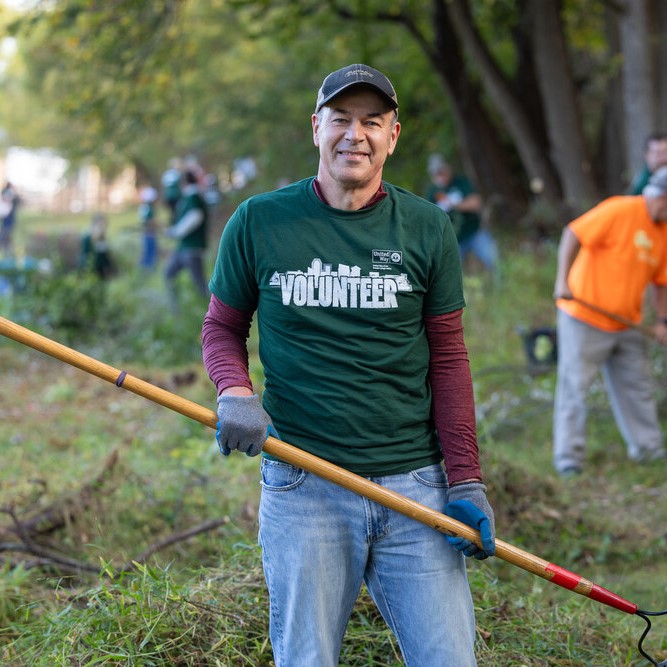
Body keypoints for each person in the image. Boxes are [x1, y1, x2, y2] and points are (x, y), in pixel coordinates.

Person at [201, 64, 495, 666]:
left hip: (416, 489)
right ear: (316, 128)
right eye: (340, 120)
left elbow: (449, 358)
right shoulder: (259, 221)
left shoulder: (426, 227)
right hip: (304, 481)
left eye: (371, 122)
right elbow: (222, 328)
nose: (353, 135)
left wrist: (465, 478)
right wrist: (234, 391)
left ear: (393, 135)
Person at [552, 166, 667, 477]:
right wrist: (562, 280)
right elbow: (572, 233)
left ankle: (648, 449)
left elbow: (661, 282)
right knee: (575, 386)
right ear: (660, 197)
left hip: (627, 323)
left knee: (637, 387)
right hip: (585, 317)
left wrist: (663, 322)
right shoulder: (619, 210)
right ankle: (569, 459)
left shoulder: (664, 231)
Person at [425, 154, 498, 275]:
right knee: (450, 274)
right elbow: (429, 219)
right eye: (435, 173)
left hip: (475, 232)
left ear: (447, 169)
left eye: (441, 171)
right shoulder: (432, 192)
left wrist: (454, 204)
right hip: (453, 241)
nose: (439, 175)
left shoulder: (460, 182)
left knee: (493, 260)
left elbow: (476, 203)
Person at [164, 169, 209, 300]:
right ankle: (176, 309)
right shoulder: (188, 198)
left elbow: (195, 217)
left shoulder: (194, 197)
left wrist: (176, 231)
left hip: (193, 247)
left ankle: (212, 311)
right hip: (183, 247)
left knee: (200, 284)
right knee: (168, 274)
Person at [79, 213, 114, 279]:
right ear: (93, 226)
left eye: (105, 226)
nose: (103, 228)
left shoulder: (103, 239)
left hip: (101, 271)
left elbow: (105, 259)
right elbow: (84, 258)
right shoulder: (87, 238)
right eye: (100, 226)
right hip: (89, 271)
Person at [138, 186, 159, 271]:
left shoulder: (144, 207)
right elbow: (149, 221)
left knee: (147, 251)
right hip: (149, 233)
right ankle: (147, 269)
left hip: (146, 233)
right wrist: (158, 224)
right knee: (149, 253)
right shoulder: (148, 207)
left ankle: (144, 268)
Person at [0, 182, 20, 258]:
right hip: (6, 218)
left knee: (7, 233)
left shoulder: (9, 194)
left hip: (8, 217)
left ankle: (7, 248)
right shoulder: (8, 192)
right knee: (5, 233)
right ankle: (5, 247)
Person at [161, 158, 182, 224]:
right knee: (176, 211)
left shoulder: (166, 174)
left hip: (169, 196)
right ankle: (175, 223)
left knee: (172, 211)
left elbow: (164, 187)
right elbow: (180, 185)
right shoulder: (177, 174)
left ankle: (173, 223)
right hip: (176, 196)